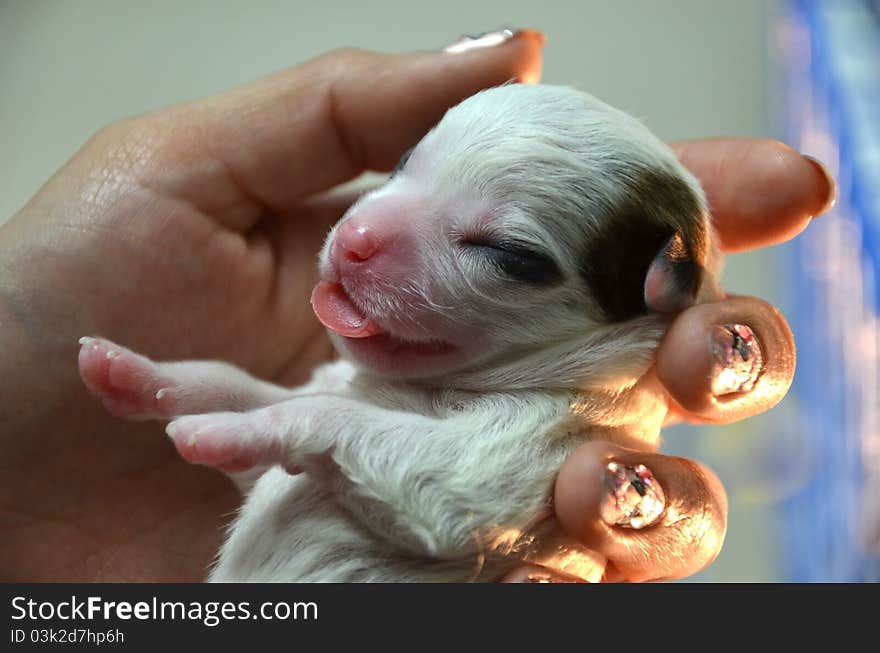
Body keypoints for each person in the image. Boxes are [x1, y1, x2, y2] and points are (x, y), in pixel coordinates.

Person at [0, 29, 834, 582]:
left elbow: (444, 503)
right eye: (409, 166)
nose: (362, 235)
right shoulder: (428, 384)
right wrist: (180, 392)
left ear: (647, 304)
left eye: (498, 251)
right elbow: (301, 439)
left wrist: (298, 427)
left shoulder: (562, 442)